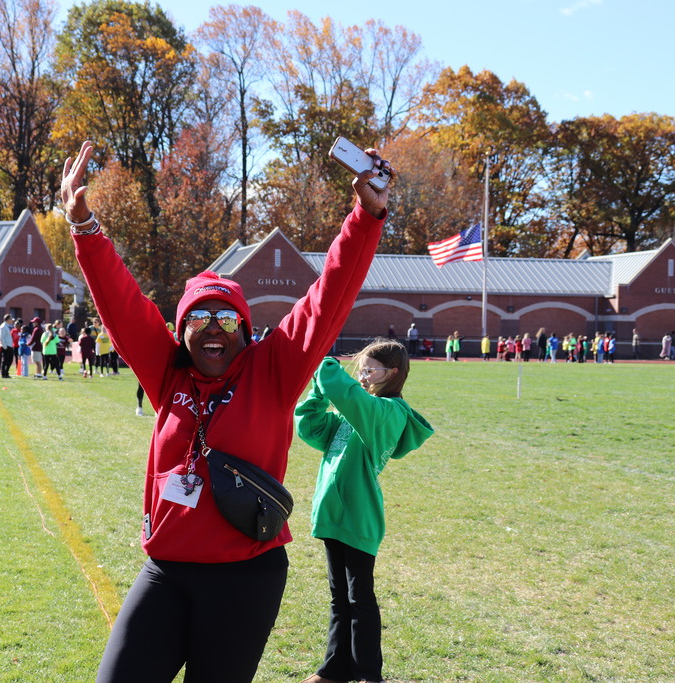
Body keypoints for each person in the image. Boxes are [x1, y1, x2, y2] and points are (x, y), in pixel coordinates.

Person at [62, 139, 394, 683]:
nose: (214, 327)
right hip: (167, 570)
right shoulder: (165, 372)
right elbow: (122, 306)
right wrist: (84, 229)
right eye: (199, 317)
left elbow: (327, 297)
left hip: (245, 576)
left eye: (226, 317)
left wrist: (366, 215)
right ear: (181, 328)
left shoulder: (274, 369)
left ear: (244, 327)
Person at [294, 339, 434, 683]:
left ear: (393, 373)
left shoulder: (389, 413)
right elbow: (309, 426)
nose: (364, 375)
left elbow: (353, 400)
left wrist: (325, 366)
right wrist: (318, 388)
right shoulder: (356, 410)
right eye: (362, 369)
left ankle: (370, 675)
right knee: (339, 598)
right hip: (332, 515)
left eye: (371, 369)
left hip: (359, 519)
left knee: (360, 600)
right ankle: (332, 671)